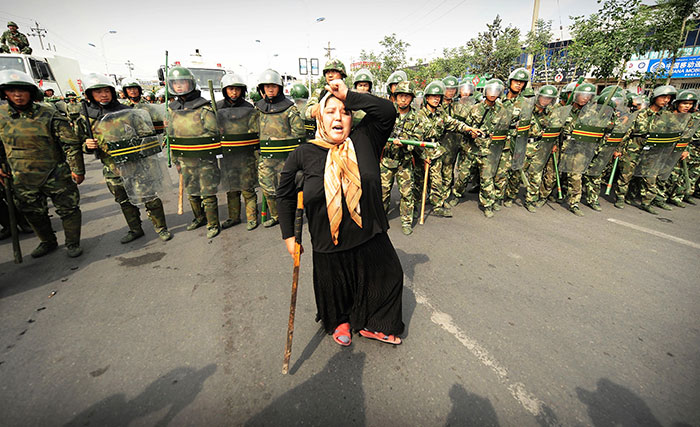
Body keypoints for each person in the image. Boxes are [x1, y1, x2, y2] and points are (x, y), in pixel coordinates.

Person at [277, 79, 404, 346]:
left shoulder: (365, 139)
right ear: (319, 117)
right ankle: (340, 321)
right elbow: (285, 195)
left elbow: (388, 111)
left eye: (345, 112)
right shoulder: (304, 153)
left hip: (369, 232)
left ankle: (376, 323)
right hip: (328, 240)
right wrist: (289, 236)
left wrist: (349, 96)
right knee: (334, 287)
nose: (339, 117)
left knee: (389, 276)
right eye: (331, 111)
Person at [0, 70, 84, 257]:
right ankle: (47, 241)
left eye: (22, 90)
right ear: (5, 93)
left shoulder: (49, 114)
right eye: (12, 90)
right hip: (21, 176)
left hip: (55, 173)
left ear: (31, 92)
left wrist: (77, 169)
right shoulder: (1, 116)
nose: (17, 95)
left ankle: (72, 243)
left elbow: (70, 143)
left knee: (68, 209)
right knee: (32, 212)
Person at [80, 73, 172, 243]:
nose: (103, 95)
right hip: (112, 166)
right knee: (124, 200)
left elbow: (146, 134)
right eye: (98, 92)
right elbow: (80, 142)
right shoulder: (87, 117)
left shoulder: (127, 111)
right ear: (90, 94)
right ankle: (135, 229)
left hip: (136, 163)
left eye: (106, 90)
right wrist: (88, 145)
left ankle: (161, 228)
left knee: (149, 196)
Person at [167, 66, 222, 238]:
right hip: (184, 159)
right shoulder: (171, 109)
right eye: (175, 83)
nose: (179, 86)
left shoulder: (203, 108)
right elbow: (170, 136)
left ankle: (213, 224)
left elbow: (213, 133)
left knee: (207, 192)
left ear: (190, 83)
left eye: (182, 82)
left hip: (204, 158)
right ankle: (199, 217)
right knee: (192, 191)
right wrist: (175, 160)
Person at [414, 80, 482, 218]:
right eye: (433, 97)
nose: (436, 99)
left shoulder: (441, 114)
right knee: (419, 182)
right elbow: (415, 138)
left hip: (436, 150)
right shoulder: (418, 116)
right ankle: (416, 207)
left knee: (437, 180)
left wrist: (468, 128)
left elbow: (454, 123)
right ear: (427, 98)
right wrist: (421, 154)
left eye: (438, 97)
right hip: (422, 151)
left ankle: (437, 206)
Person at [615, 85, 677, 214]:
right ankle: (620, 197)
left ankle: (647, 202)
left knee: (650, 177)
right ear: (655, 97)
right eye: (664, 97)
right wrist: (619, 149)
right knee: (626, 175)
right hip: (633, 149)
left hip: (653, 152)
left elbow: (671, 134)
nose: (666, 100)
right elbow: (627, 133)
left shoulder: (667, 117)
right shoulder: (639, 115)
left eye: (669, 98)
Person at [255, 69, 305, 227]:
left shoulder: (289, 109)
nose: (270, 89)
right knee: (268, 188)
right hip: (265, 158)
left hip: (285, 158)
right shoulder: (258, 109)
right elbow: (254, 131)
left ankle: (289, 217)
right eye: (267, 86)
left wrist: (281, 140)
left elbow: (299, 133)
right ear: (262, 88)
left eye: (274, 86)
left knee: (287, 189)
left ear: (280, 87)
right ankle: (276, 216)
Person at [216, 73, 260, 230]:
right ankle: (233, 217)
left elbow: (255, 129)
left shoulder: (249, 108)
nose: (234, 93)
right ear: (225, 90)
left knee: (247, 188)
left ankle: (252, 218)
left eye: (237, 89)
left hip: (245, 154)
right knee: (232, 188)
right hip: (227, 156)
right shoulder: (217, 108)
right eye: (231, 89)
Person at [380, 80, 420, 235]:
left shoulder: (417, 118)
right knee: (382, 192)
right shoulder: (387, 112)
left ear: (411, 98)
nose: (403, 99)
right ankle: (381, 220)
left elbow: (418, 138)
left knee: (407, 194)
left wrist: (404, 144)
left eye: (407, 96)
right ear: (395, 97)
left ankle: (406, 221)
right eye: (400, 95)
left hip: (405, 162)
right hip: (387, 160)